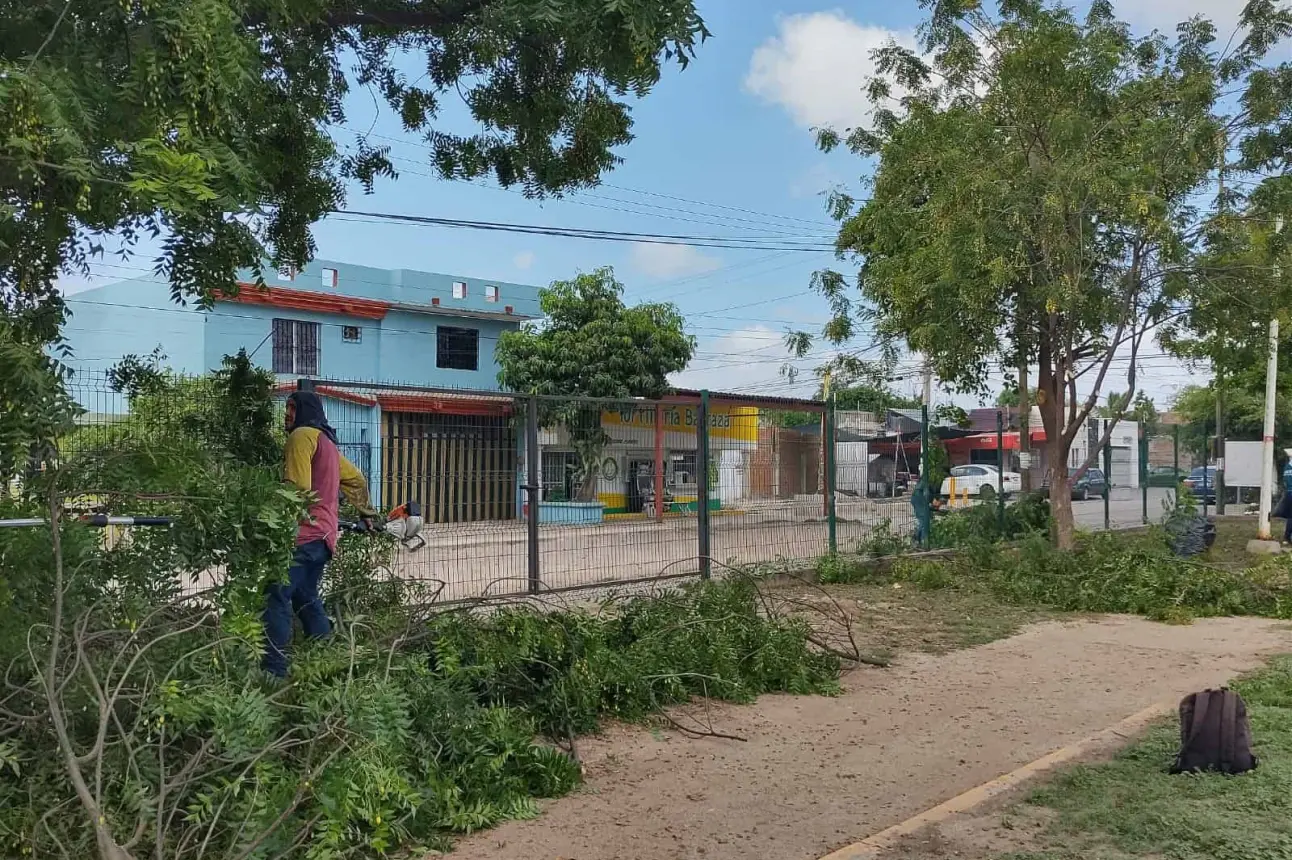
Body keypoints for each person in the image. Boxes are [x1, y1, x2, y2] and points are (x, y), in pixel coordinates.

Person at [263, 390, 376, 678]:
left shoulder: (301, 436)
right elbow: (357, 479)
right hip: (324, 538)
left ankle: (274, 673)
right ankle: (330, 662)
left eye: (291, 408)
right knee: (305, 596)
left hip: (303, 536)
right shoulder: (326, 442)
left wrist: (269, 518)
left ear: (303, 410)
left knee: (276, 594)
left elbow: (296, 489)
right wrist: (367, 513)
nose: (287, 414)